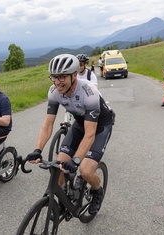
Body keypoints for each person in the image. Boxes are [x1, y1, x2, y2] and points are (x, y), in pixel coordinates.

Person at [26, 54, 114, 215]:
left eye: (61, 77)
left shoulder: (89, 93)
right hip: (79, 124)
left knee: (86, 170)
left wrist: (77, 160)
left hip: (100, 126)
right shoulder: (54, 92)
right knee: (59, 166)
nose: (57, 82)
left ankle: (97, 191)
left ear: (74, 75)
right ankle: (63, 200)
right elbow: (48, 124)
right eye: (54, 77)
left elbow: (90, 134)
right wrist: (37, 150)